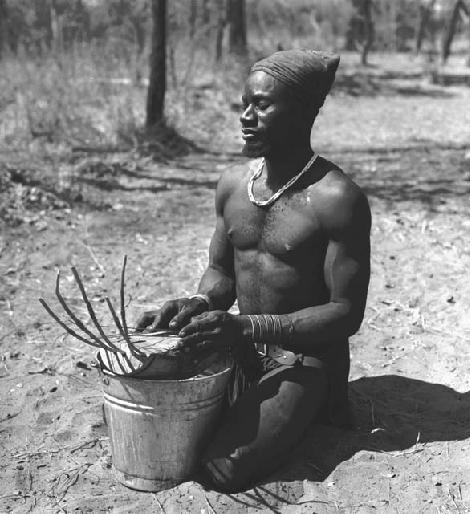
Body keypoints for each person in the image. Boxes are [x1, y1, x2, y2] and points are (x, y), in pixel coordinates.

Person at [136, 50, 371, 492]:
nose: (246, 115)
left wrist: (247, 327)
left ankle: (319, 404)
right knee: (151, 420)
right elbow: (220, 273)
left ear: (302, 111)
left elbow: (346, 313)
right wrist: (198, 304)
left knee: (220, 470)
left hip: (302, 358)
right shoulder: (232, 185)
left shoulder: (337, 199)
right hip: (239, 347)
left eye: (262, 105)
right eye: (244, 102)